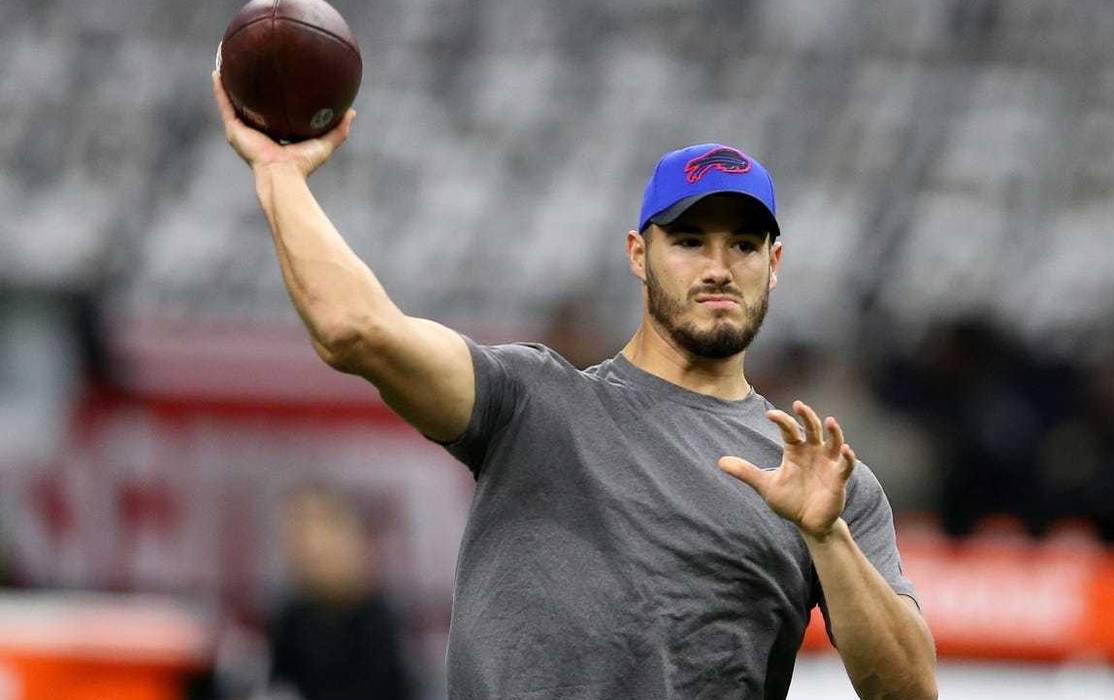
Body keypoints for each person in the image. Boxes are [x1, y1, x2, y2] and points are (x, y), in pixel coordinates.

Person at [211, 72, 937, 700]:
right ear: (636, 254)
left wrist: (825, 536)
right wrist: (278, 174)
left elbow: (907, 692)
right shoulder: (532, 402)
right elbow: (355, 331)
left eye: (743, 245)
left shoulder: (822, 485)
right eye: (689, 241)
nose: (718, 266)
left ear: (773, 264)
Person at [267, 485, 416, 700]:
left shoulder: (377, 618)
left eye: (314, 526)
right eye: (294, 530)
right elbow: (278, 686)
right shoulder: (292, 617)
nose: (305, 543)